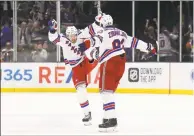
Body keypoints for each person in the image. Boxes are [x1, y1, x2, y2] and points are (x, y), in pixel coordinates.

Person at [79, 14, 156, 132]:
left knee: (105, 92)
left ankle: (112, 121)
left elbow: (92, 42)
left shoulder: (102, 33)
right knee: (107, 92)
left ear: (102, 24)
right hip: (122, 61)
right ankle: (106, 118)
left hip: (109, 62)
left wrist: (81, 46)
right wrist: (150, 47)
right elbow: (135, 42)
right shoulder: (121, 33)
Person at [48, 19, 97, 126]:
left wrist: (98, 21)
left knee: (92, 46)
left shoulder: (81, 34)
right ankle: (87, 113)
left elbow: (93, 30)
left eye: (74, 35)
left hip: (86, 62)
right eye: (71, 36)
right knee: (80, 91)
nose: (73, 38)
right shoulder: (63, 39)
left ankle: (95, 57)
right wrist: (52, 30)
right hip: (76, 67)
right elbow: (53, 38)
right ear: (67, 36)